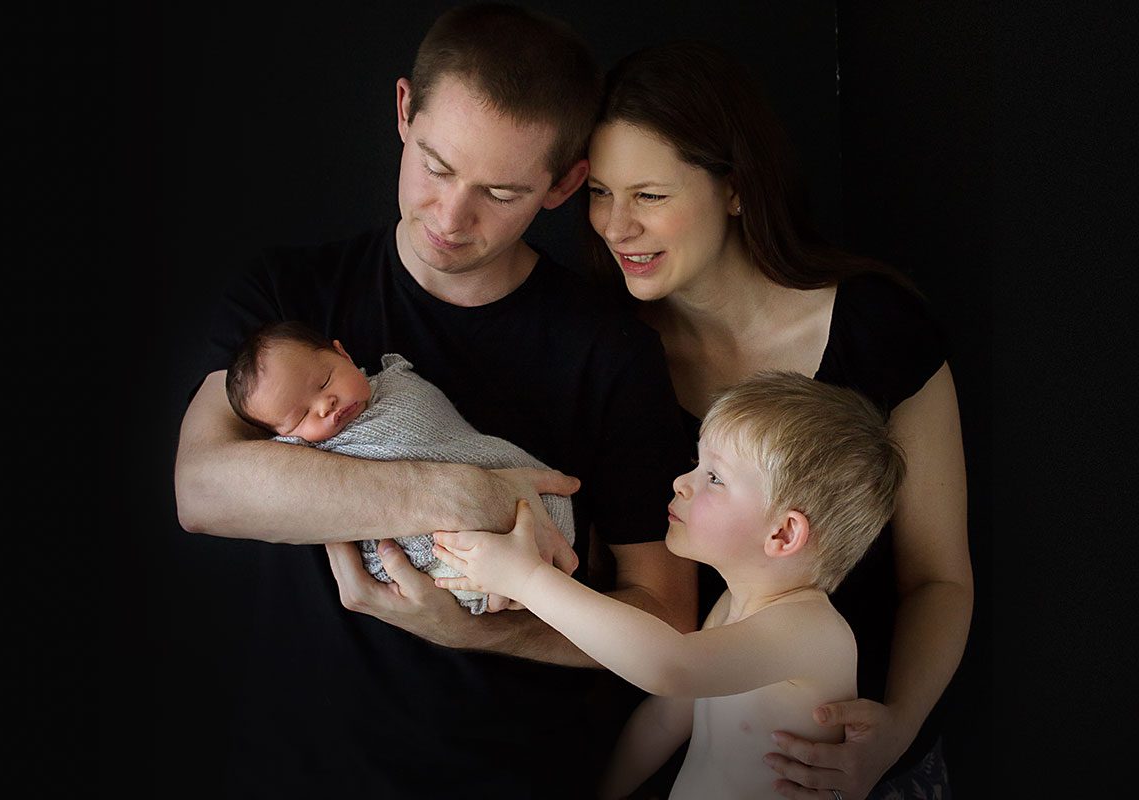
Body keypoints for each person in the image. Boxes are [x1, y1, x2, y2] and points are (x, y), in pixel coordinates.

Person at [173, 4, 696, 797]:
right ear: (402, 112)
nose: (451, 219)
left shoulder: (610, 351)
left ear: (562, 185)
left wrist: (489, 628)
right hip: (290, 769)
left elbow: (668, 622)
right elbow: (203, 488)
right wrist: (463, 492)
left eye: (501, 190)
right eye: (436, 165)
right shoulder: (290, 298)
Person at [581, 41, 973, 799]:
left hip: (862, 766)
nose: (615, 226)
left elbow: (939, 579)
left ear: (735, 188)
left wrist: (888, 733)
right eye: (599, 192)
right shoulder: (607, 352)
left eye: (649, 195)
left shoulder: (879, 328)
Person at [431, 370, 907, 800]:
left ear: (782, 534)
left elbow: (669, 667)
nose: (682, 481)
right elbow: (665, 717)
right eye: (696, 465)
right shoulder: (734, 606)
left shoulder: (812, 632)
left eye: (714, 477)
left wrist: (527, 578)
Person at [223, 319, 576, 614]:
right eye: (300, 415)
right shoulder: (305, 457)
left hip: (499, 476)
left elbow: (448, 435)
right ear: (283, 437)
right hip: (437, 545)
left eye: (324, 381)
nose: (324, 405)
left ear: (342, 353)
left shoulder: (398, 382)